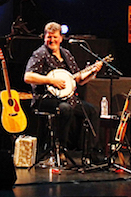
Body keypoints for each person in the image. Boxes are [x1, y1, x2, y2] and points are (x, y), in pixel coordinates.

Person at [23, 22, 103, 164]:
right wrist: (51, 81)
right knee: (65, 109)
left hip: (69, 99)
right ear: (44, 38)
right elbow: (28, 77)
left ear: (61, 38)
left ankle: (90, 153)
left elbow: (78, 79)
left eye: (54, 37)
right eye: (49, 37)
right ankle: (59, 150)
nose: (51, 40)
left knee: (92, 110)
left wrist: (92, 71)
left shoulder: (66, 54)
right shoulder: (40, 54)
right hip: (45, 99)